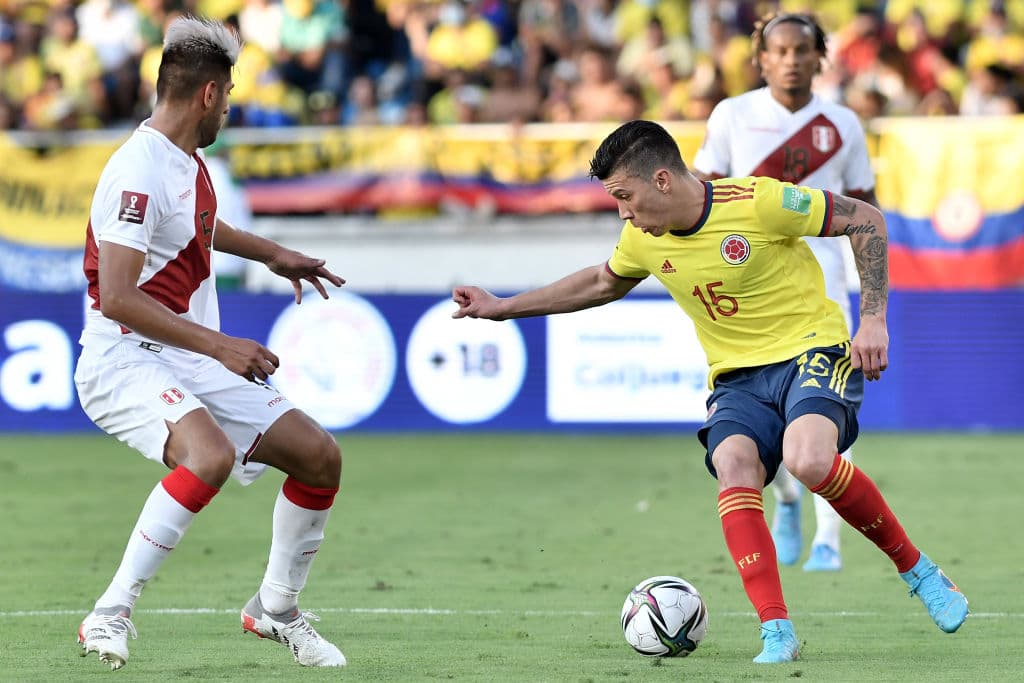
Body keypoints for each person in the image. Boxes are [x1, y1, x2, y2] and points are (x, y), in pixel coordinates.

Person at [451, 119, 969, 663]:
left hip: (811, 349)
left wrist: (873, 319)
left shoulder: (760, 203)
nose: (624, 214)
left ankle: (920, 572)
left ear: (663, 181)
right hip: (736, 377)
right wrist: (502, 306)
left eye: (626, 197)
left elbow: (865, 220)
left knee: (808, 458)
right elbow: (602, 283)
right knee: (735, 467)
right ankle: (776, 632)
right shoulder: (642, 240)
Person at [73, 16, 347, 670]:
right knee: (209, 455)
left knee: (318, 457)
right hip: (123, 356)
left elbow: (198, 226)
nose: (231, 104)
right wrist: (221, 346)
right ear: (207, 95)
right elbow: (116, 296)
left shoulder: (184, 161)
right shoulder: (136, 170)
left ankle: (275, 609)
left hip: (186, 353)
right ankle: (109, 611)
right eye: (229, 94)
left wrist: (274, 252)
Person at [693, 12, 879, 573]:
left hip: (824, 287)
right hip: (750, 284)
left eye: (803, 49)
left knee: (825, 409)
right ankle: (788, 502)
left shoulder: (843, 123)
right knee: (766, 413)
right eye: (781, 50)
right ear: (762, 58)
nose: (793, 59)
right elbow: (701, 195)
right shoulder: (733, 115)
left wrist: (872, 301)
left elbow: (868, 207)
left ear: (821, 56)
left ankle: (830, 538)